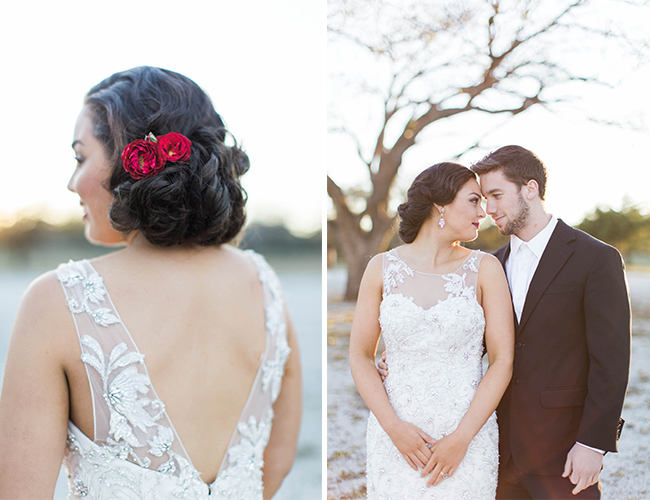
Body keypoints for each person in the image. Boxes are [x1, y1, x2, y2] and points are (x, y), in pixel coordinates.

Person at [0, 66, 302, 500]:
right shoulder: (264, 284)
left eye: (80, 157)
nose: (72, 183)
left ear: (129, 159)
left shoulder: (57, 301)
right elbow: (277, 461)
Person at [380, 145, 631, 499]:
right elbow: (471, 339)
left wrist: (593, 443)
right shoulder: (490, 265)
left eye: (496, 195)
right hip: (497, 449)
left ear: (530, 189)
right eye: (482, 199)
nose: (488, 210)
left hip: (564, 451)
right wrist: (410, 352)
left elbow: (612, 361)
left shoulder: (595, 259)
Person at [349, 162, 514, 499]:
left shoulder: (486, 269)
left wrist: (462, 438)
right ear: (441, 204)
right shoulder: (381, 268)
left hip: (468, 436)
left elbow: (502, 361)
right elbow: (361, 356)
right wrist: (394, 429)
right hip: (395, 435)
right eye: (473, 201)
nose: (482, 212)